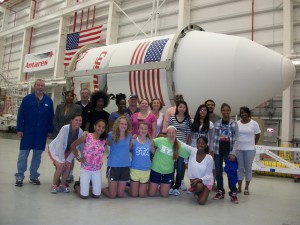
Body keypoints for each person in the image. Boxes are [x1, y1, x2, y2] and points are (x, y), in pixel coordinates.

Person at [15, 79, 54, 187]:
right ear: (34, 86)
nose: (40, 87)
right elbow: (21, 115)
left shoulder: (48, 101)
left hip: (41, 133)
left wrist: (50, 130)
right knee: (23, 155)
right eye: (38, 85)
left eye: (42, 85)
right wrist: (19, 129)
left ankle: (33, 176)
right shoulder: (27, 99)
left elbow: (51, 117)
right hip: (27, 132)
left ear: (44, 87)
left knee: (37, 156)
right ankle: (19, 175)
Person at [148, 126, 190, 197]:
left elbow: (187, 154)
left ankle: (160, 185)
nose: (171, 135)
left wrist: (183, 144)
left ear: (176, 134)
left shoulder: (179, 146)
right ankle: (155, 185)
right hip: (156, 170)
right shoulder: (161, 140)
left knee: (164, 195)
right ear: (167, 134)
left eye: (173, 133)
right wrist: (154, 151)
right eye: (169, 133)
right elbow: (151, 142)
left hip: (168, 173)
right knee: (151, 194)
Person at [71, 119, 107, 199]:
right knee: (84, 196)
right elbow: (73, 145)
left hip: (97, 170)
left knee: (97, 195)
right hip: (86, 169)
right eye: (99, 126)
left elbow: (116, 144)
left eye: (103, 127)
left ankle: (89, 186)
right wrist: (78, 158)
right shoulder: (87, 136)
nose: (100, 129)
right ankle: (77, 186)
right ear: (94, 126)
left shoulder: (104, 140)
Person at [48, 114, 84, 193]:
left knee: (68, 166)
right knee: (61, 166)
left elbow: (76, 147)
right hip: (55, 150)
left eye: (80, 121)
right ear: (72, 120)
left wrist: (68, 160)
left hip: (68, 151)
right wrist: (62, 160)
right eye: (76, 120)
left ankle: (62, 185)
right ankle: (54, 185)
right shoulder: (65, 128)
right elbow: (60, 145)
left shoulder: (80, 131)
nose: (78, 122)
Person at [211, 103, 239, 204]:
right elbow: (213, 137)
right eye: (224, 110)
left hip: (229, 152)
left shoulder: (234, 124)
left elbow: (237, 139)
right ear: (221, 111)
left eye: (227, 110)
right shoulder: (217, 123)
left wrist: (233, 152)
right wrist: (212, 150)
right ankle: (220, 191)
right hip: (218, 151)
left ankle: (233, 193)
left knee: (231, 172)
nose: (225, 112)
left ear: (230, 111)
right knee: (218, 172)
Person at [102, 116, 132, 198]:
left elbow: (128, 148)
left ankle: (119, 187)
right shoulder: (111, 135)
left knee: (120, 195)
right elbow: (104, 142)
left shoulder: (129, 135)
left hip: (125, 166)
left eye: (125, 124)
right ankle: (103, 189)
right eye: (121, 123)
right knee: (112, 196)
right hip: (113, 166)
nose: (123, 125)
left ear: (127, 126)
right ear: (117, 124)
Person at [180, 137, 214, 205]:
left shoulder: (209, 158)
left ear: (206, 145)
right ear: (196, 144)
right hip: (194, 180)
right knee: (198, 186)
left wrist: (199, 180)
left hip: (206, 181)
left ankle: (202, 190)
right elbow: (183, 144)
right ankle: (197, 191)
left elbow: (208, 175)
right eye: (199, 143)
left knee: (201, 202)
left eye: (203, 143)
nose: (200, 145)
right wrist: (172, 137)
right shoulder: (193, 151)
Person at [168, 100, 192, 196]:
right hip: (172, 146)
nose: (182, 108)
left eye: (184, 107)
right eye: (180, 106)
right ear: (177, 107)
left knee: (180, 168)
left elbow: (188, 134)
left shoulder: (187, 119)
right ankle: (170, 185)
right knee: (171, 167)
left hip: (182, 147)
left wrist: (186, 146)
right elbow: (169, 132)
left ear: (186, 109)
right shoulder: (172, 118)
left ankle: (176, 186)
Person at [236, 106, 261, 195]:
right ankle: (239, 187)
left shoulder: (254, 123)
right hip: (239, 149)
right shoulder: (237, 123)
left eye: (245, 112)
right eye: (241, 112)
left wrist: (253, 144)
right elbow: (235, 136)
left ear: (248, 113)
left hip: (250, 149)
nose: (243, 114)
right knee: (240, 168)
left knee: (248, 168)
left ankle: (246, 187)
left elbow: (258, 135)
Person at [129, 122, 154, 197]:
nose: (143, 130)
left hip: (146, 170)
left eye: (145, 129)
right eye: (142, 128)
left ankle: (138, 187)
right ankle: (127, 188)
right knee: (134, 195)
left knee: (141, 195)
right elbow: (127, 149)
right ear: (138, 129)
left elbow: (154, 152)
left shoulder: (150, 141)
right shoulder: (134, 140)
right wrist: (131, 140)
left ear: (147, 130)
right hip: (135, 169)